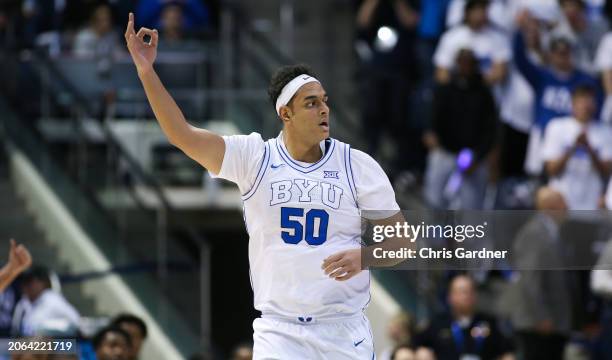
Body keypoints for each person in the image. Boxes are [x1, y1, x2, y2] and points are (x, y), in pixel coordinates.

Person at [124, 12, 407, 359]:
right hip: (279, 331)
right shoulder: (254, 157)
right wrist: (146, 71)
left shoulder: (357, 165)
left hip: (343, 328)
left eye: (325, 101)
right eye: (311, 102)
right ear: (285, 113)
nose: (324, 110)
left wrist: (366, 256)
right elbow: (181, 135)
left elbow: (401, 243)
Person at [514, 9, 600, 175]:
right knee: (537, 181)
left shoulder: (584, 81)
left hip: (571, 139)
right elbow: (520, 61)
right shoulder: (542, 77)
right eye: (558, 53)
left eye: (565, 52)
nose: (562, 56)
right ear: (551, 55)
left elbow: (594, 103)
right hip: (542, 136)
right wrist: (520, 31)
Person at [423, 48, 497, 209]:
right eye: (462, 62)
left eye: (469, 63)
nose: (465, 67)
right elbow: (432, 118)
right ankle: (433, 233)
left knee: (471, 207)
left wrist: (479, 156)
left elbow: (490, 130)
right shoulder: (446, 88)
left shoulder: (484, 94)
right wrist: (432, 135)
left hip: (472, 156)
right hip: (445, 151)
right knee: (434, 200)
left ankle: (466, 233)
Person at [509, 187, 571, 360]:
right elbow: (531, 279)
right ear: (550, 206)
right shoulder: (533, 233)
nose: (568, 207)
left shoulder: (555, 233)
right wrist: (541, 316)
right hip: (538, 325)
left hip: (554, 323)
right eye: (563, 203)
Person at [541, 85, 612, 210]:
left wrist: (589, 149)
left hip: (591, 204)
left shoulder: (606, 132)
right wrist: (573, 147)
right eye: (582, 101)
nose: (585, 106)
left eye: (589, 101)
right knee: (543, 195)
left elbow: (606, 172)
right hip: (561, 203)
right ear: (573, 104)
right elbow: (551, 170)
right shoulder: (556, 127)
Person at [414, 274, 515, 360]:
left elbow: (507, 350)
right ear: (450, 297)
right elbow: (415, 344)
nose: (466, 296)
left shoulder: (489, 322)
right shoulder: (438, 323)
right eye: (461, 292)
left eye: (469, 291)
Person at [433, 0, 510, 87]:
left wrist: (476, 83)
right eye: (475, 10)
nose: (480, 14)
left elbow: (500, 72)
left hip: (488, 92)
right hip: (458, 90)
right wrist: (460, 84)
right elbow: (441, 73)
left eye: (482, 9)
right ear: (467, 12)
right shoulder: (451, 37)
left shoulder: (497, 37)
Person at [11, 266, 80, 337]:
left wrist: (47, 329)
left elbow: (75, 322)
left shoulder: (51, 299)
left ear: (42, 283)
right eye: (24, 282)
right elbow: (16, 330)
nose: (26, 286)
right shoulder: (24, 303)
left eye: (30, 282)